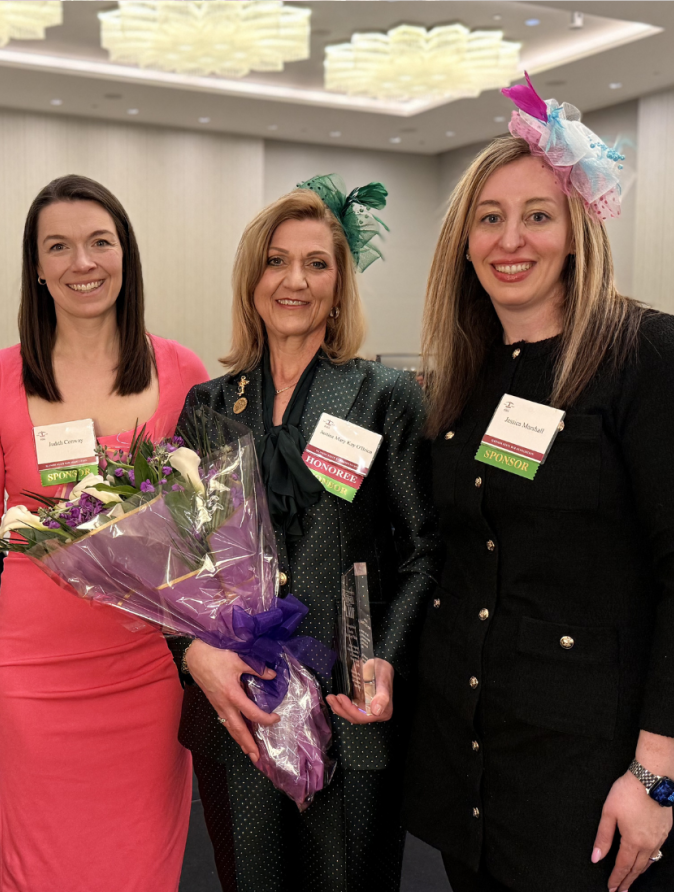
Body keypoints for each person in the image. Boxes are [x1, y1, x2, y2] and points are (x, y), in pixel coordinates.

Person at [403, 76, 674, 892]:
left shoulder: (642, 351)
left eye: (537, 216)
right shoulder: (462, 379)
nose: (511, 239)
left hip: (589, 779)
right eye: (490, 218)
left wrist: (656, 777)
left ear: (578, 229)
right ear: (464, 240)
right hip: (473, 764)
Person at [176, 180, 439, 892]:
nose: (294, 280)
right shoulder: (208, 405)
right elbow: (179, 560)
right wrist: (192, 654)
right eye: (276, 261)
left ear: (339, 282)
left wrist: (384, 660)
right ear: (251, 278)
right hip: (240, 699)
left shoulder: (385, 395)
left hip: (348, 701)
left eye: (316, 264)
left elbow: (423, 554)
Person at [0, 174, 209, 892]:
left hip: (149, 664)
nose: (82, 263)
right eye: (58, 247)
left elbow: (204, 528)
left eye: (100, 242)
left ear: (126, 253)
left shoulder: (181, 370)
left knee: (140, 862)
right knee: (40, 863)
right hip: (35, 668)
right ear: (36, 266)